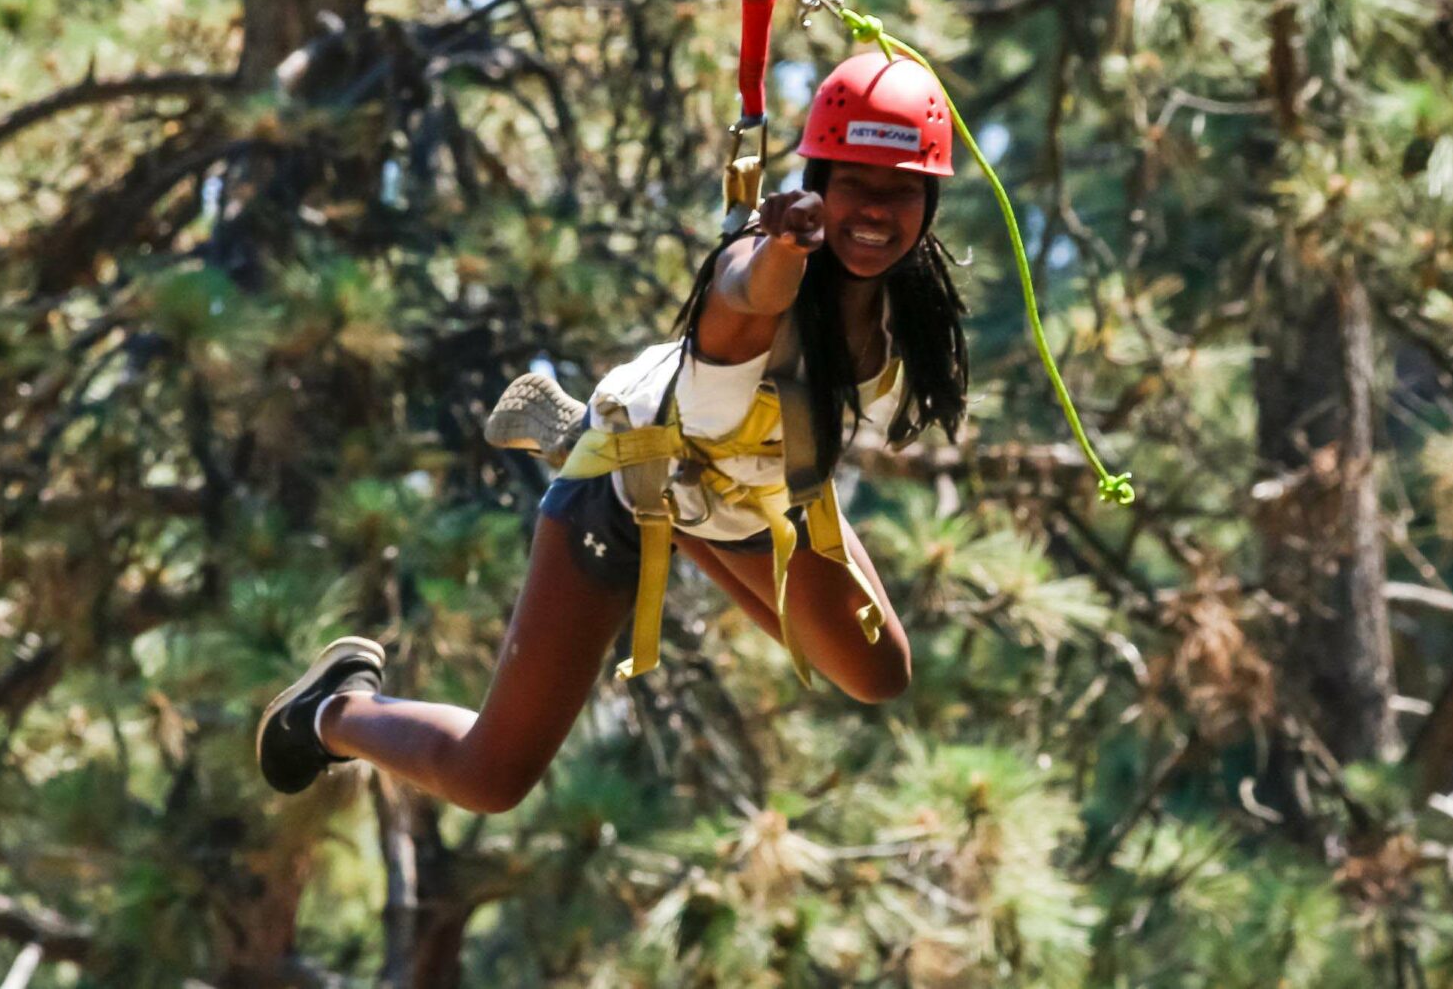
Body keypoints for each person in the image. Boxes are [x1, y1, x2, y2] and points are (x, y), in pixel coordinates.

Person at [255, 52, 970, 814]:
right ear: (817, 183)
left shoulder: (908, 305)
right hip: (625, 489)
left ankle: (612, 452)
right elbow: (744, 286)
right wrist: (782, 248)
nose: (874, 210)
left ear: (930, 203)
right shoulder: (763, 274)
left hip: (750, 489)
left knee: (879, 671)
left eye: (900, 190)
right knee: (490, 777)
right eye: (854, 184)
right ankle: (330, 710)